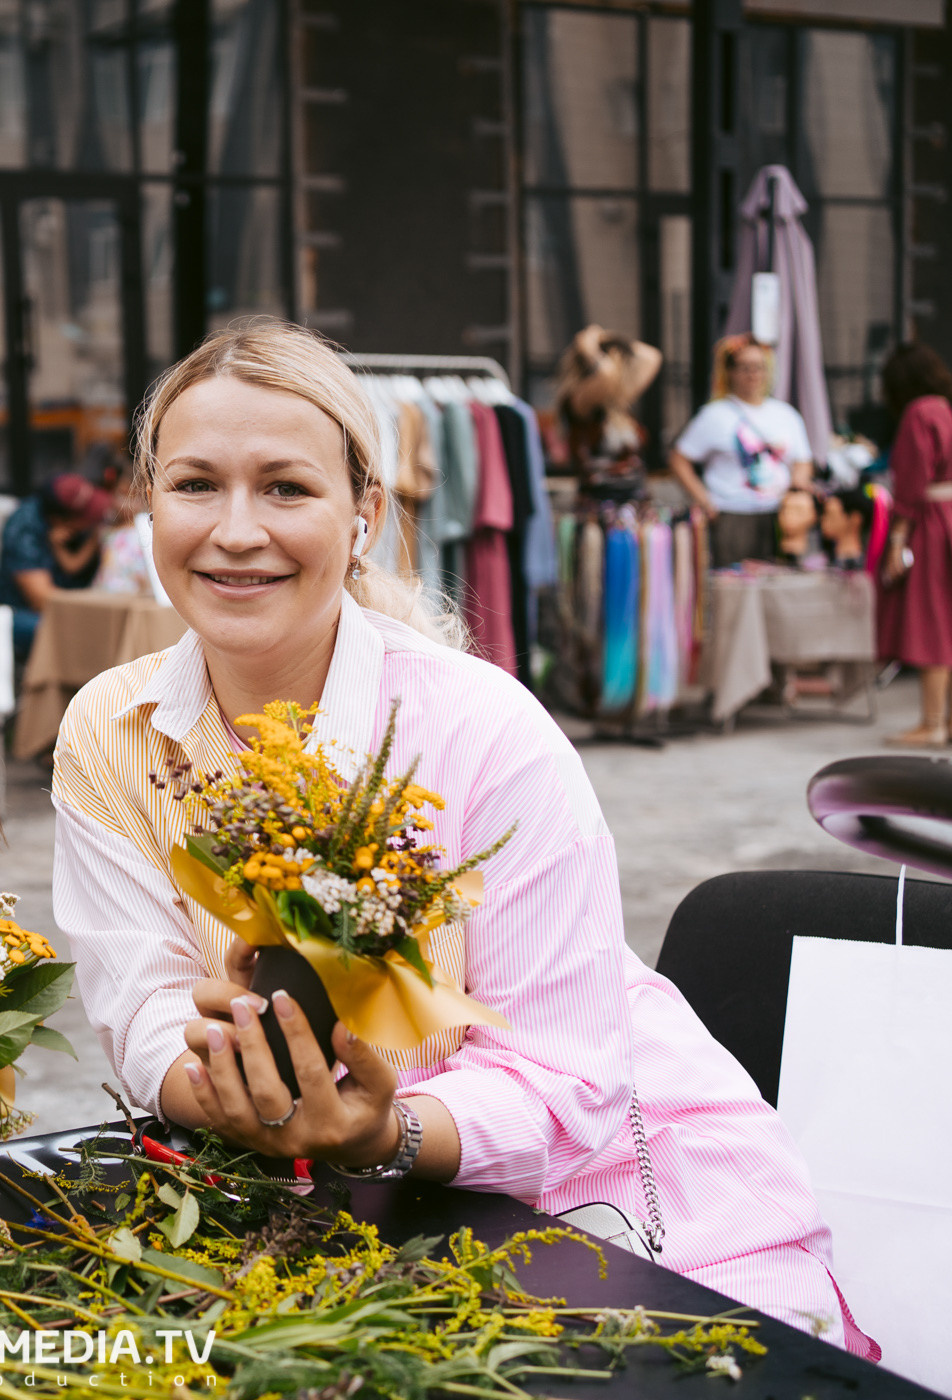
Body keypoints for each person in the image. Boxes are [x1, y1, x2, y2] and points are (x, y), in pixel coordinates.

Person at [50, 319, 875, 1355]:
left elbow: (564, 1085)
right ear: (150, 505)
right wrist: (233, 1091)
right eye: (195, 484)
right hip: (325, 1219)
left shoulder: (484, 728)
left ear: (364, 515)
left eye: (287, 488)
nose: (237, 529)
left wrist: (379, 1130)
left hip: (613, 1211)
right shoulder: (111, 730)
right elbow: (146, 1008)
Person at [877, 343, 952, 747]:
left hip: (928, 523)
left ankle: (932, 724)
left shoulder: (918, 413)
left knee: (933, 617)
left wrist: (897, 538)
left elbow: (911, 482)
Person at [669, 336, 816, 569]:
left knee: (778, 578)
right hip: (731, 515)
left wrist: (797, 489)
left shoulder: (786, 414)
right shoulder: (714, 415)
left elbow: (803, 460)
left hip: (778, 515)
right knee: (732, 580)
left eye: (759, 367)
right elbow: (679, 459)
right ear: (730, 372)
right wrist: (703, 500)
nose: (753, 374)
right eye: (744, 367)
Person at [0, 472, 112, 662]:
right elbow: (43, 600)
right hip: (23, 612)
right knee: (81, 631)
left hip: (74, 602)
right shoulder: (24, 527)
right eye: (88, 516)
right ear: (61, 521)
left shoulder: (86, 529)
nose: (96, 519)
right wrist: (95, 609)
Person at [551, 324, 662, 503]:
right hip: (599, 506)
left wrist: (609, 337)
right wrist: (590, 342)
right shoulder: (579, 401)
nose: (626, 368)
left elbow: (652, 357)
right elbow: (606, 374)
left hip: (633, 506)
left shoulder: (617, 402)